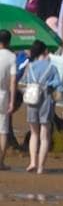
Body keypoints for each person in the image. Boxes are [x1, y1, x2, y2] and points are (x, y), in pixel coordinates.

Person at [18, 40, 63, 174]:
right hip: (46, 101)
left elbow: (23, 82)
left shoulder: (30, 67)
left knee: (34, 133)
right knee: (45, 136)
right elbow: (59, 86)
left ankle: (32, 162)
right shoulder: (52, 68)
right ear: (45, 51)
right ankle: (41, 167)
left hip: (32, 100)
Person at [0, 29, 13, 170]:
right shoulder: (11, 57)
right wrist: (12, 99)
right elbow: (13, 80)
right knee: (3, 130)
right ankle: (1, 162)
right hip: (3, 94)